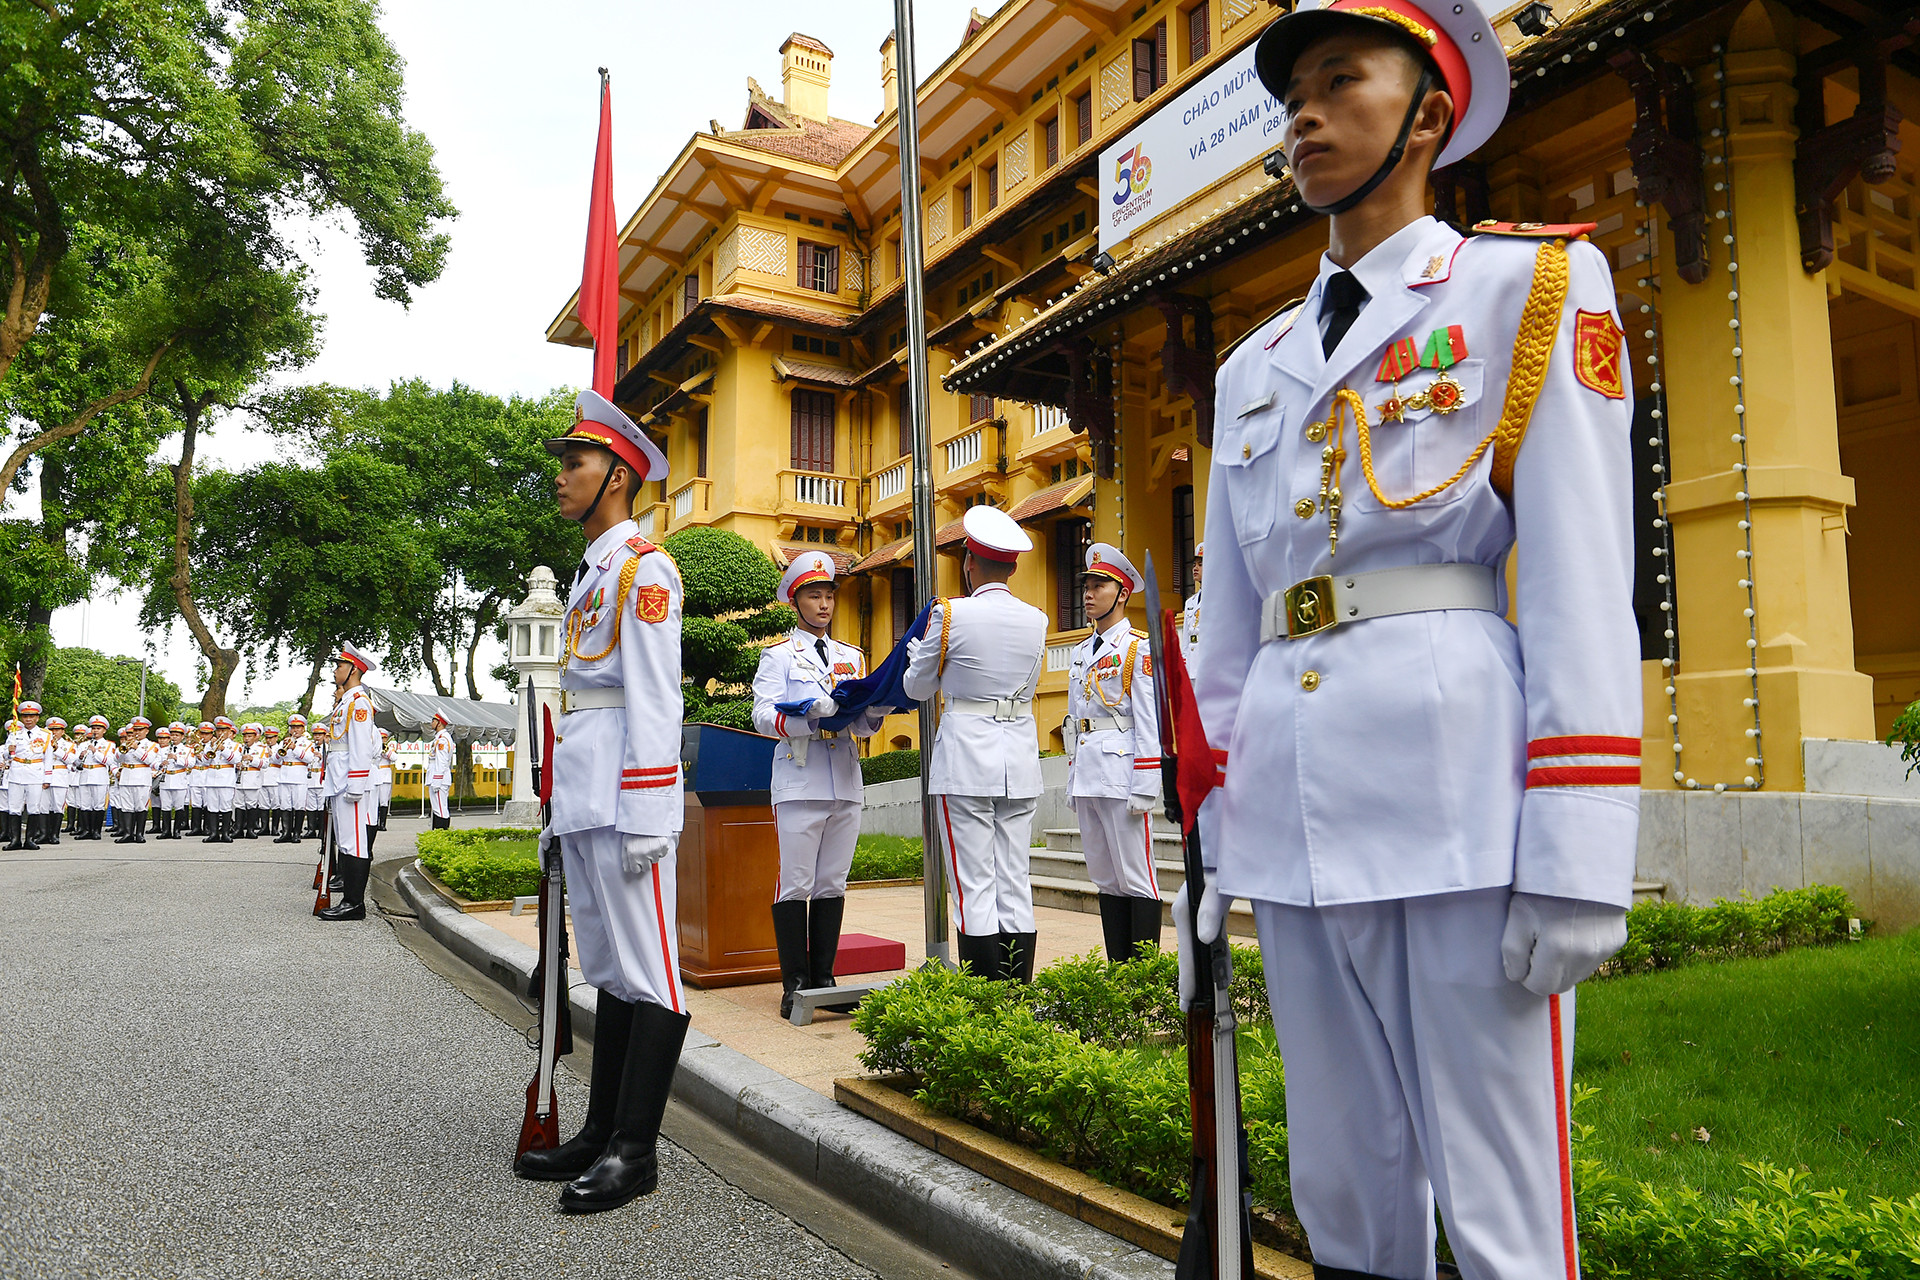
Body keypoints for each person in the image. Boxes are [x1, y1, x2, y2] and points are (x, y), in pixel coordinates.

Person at [1186, 3, 1639, 1276]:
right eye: (1292, 97)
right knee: (1343, 1181)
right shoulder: (1253, 363)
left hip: (1458, 800)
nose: (1307, 116)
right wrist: (1221, 830)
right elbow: (1232, 625)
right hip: (1290, 806)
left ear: (1429, 112)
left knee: (1500, 1201)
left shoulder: (1524, 287)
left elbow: (1578, 575)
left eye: (1343, 81)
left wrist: (1579, 849)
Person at [512, 388, 689, 1215]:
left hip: (628, 799)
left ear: (616, 475)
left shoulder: (644, 571)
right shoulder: (591, 577)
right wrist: (557, 813)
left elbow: (655, 698)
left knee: (652, 974)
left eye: (573, 463)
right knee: (612, 971)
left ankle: (636, 1151)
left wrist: (653, 811)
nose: (560, 477)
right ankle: (598, 1130)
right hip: (586, 793)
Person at [901, 506, 1049, 982]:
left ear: (969, 562)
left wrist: (914, 658)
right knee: (1014, 880)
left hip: (967, 757)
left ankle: (985, 1002)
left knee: (973, 884)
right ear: (1013, 566)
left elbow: (916, 688)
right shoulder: (1037, 619)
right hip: (1018, 757)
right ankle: (1017, 994)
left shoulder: (950, 614)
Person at [751, 550, 886, 1018]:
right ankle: (795, 982)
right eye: (814, 595)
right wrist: (808, 717)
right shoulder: (779, 656)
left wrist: (874, 710)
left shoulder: (852, 656)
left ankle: (825, 978)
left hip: (845, 778)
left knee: (833, 880)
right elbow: (763, 715)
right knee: (796, 882)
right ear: (796, 600)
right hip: (800, 777)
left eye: (829, 595)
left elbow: (864, 727)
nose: (824, 604)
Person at [1064, 544, 1163, 963]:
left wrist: (1146, 783)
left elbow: (1149, 720)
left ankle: (1143, 980)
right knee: (1105, 877)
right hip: (1088, 775)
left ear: (1122, 592)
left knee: (1136, 877)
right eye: (1086, 585)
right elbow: (1075, 722)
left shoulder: (1137, 648)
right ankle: (1118, 972)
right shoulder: (1081, 652)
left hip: (1122, 775)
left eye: (1099, 585)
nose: (1089, 593)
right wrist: (1073, 779)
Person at [315, 644, 382, 921]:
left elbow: (361, 748)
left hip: (350, 784)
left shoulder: (359, 703)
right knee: (346, 842)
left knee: (355, 844)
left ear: (354, 670)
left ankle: (354, 903)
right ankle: (349, 900)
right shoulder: (347, 702)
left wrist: (356, 785)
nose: (335, 670)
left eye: (339, 666)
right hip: (340, 781)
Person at [3, 701, 50, 850]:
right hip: (17, 771)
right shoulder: (15, 733)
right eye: (25, 716)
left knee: (34, 807)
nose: (28, 719)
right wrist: (9, 750)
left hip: (35, 772)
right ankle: (15, 839)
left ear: (37, 718)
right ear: (22, 718)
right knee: (14, 807)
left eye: (31, 716)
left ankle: (30, 839)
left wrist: (47, 778)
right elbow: (6, 755)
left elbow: (48, 758)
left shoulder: (44, 735)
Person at [111, 718, 158, 844]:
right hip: (126, 777)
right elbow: (115, 759)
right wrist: (124, 748)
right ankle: (127, 834)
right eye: (135, 730)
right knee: (126, 807)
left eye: (140, 730)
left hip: (141, 778)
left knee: (140, 806)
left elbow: (149, 760)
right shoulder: (127, 743)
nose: (137, 733)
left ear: (146, 731)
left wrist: (136, 748)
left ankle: (139, 834)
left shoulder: (152, 745)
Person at [72, 716, 110, 841]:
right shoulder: (83, 744)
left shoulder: (108, 745)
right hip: (85, 775)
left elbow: (108, 761)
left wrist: (95, 752)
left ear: (104, 730)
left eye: (98, 728)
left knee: (98, 804)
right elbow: (76, 764)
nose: (95, 731)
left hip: (99, 776)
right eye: (93, 728)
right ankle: (86, 830)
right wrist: (80, 757)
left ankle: (96, 831)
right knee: (85, 804)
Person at [277, 714, 311, 842]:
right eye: (292, 727)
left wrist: (294, 748)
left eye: (298, 727)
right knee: (285, 805)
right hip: (284, 776)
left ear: (303, 729)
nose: (295, 730)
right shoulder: (283, 742)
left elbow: (309, 758)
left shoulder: (307, 743)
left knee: (298, 805)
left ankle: (297, 833)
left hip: (299, 777)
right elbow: (275, 759)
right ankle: (286, 833)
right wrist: (282, 748)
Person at [157, 723, 192, 839]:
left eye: (177, 735)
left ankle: (177, 830)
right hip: (166, 779)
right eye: (172, 735)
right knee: (165, 806)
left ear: (182, 737)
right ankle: (166, 831)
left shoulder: (187, 750)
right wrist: (160, 764)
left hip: (179, 779)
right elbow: (154, 762)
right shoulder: (163, 750)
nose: (174, 737)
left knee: (179, 806)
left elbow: (191, 763)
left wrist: (177, 758)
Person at [43, 716, 71, 845]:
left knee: (57, 806)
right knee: (44, 806)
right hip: (45, 776)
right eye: (51, 729)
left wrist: (57, 749)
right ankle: (44, 834)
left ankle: (54, 834)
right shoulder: (42, 742)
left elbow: (71, 760)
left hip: (60, 777)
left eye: (57, 729)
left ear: (63, 731)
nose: (54, 732)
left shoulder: (69, 745)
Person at [424, 711, 454, 828]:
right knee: (437, 808)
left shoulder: (442, 739)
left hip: (439, 778)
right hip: (437, 777)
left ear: (439, 723)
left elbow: (441, 761)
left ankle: (442, 836)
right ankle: (437, 834)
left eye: (433, 721)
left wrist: (437, 780)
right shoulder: (439, 737)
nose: (431, 723)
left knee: (441, 809)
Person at [1178, 542, 1204, 675]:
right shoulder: (1190, 602)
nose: (1195, 568)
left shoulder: (1220, 598)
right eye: (1194, 565)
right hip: (1192, 664)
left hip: (1208, 663)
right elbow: (1186, 639)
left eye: (1200, 565)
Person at [376, 729, 396, 831]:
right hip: (375, 775)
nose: (382, 740)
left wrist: (386, 750)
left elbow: (394, 757)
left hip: (384, 776)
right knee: (374, 801)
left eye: (383, 738)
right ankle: (374, 823)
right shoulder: (373, 746)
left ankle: (382, 823)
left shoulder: (389, 747)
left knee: (383, 801)